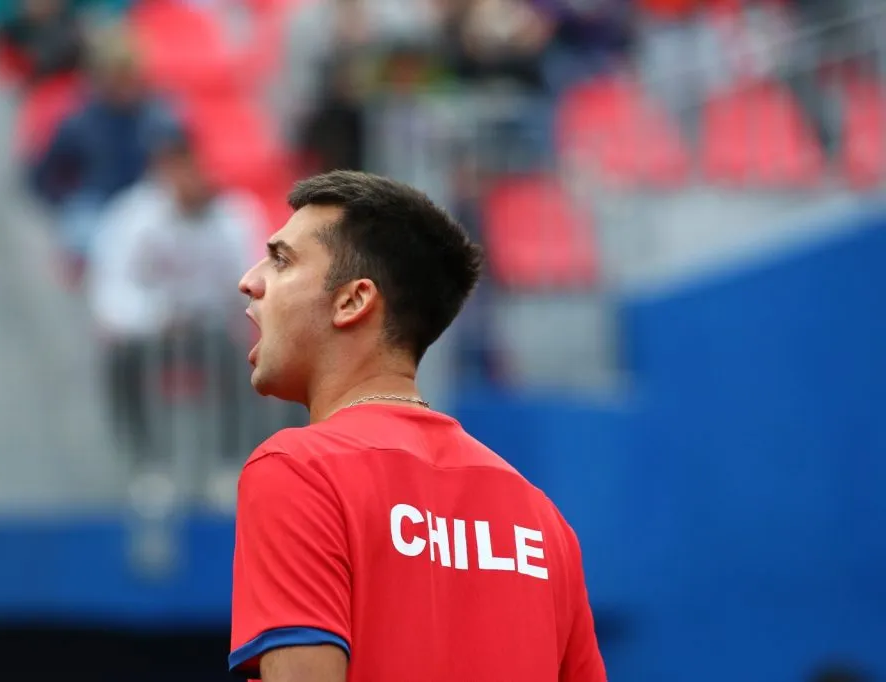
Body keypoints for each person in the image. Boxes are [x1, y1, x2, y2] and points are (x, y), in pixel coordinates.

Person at [228, 171, 606, 682]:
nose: (250, 281)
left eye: (281, 260)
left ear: (352, 301)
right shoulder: (542, 520)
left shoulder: (297, 471)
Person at [88, 130, 263, 468]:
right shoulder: (132, 217)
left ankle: (230, 461)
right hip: (153, 330)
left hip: (213, 328)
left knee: (253, 361)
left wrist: (223, 314)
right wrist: (157, 318)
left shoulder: (234, 216)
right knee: (120, 360)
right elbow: (112, 292)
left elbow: (252, 280)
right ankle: (144, 459)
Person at [29, 22, 181, 287]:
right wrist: (69, 200)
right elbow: (42, 176)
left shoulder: (160, 118)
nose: (126, 84)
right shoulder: (78, 122)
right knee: (83, 234)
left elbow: (181, 168)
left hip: (149, 208)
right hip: (98, 208)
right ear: (100, 78)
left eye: (129, 74)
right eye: (117, 75)